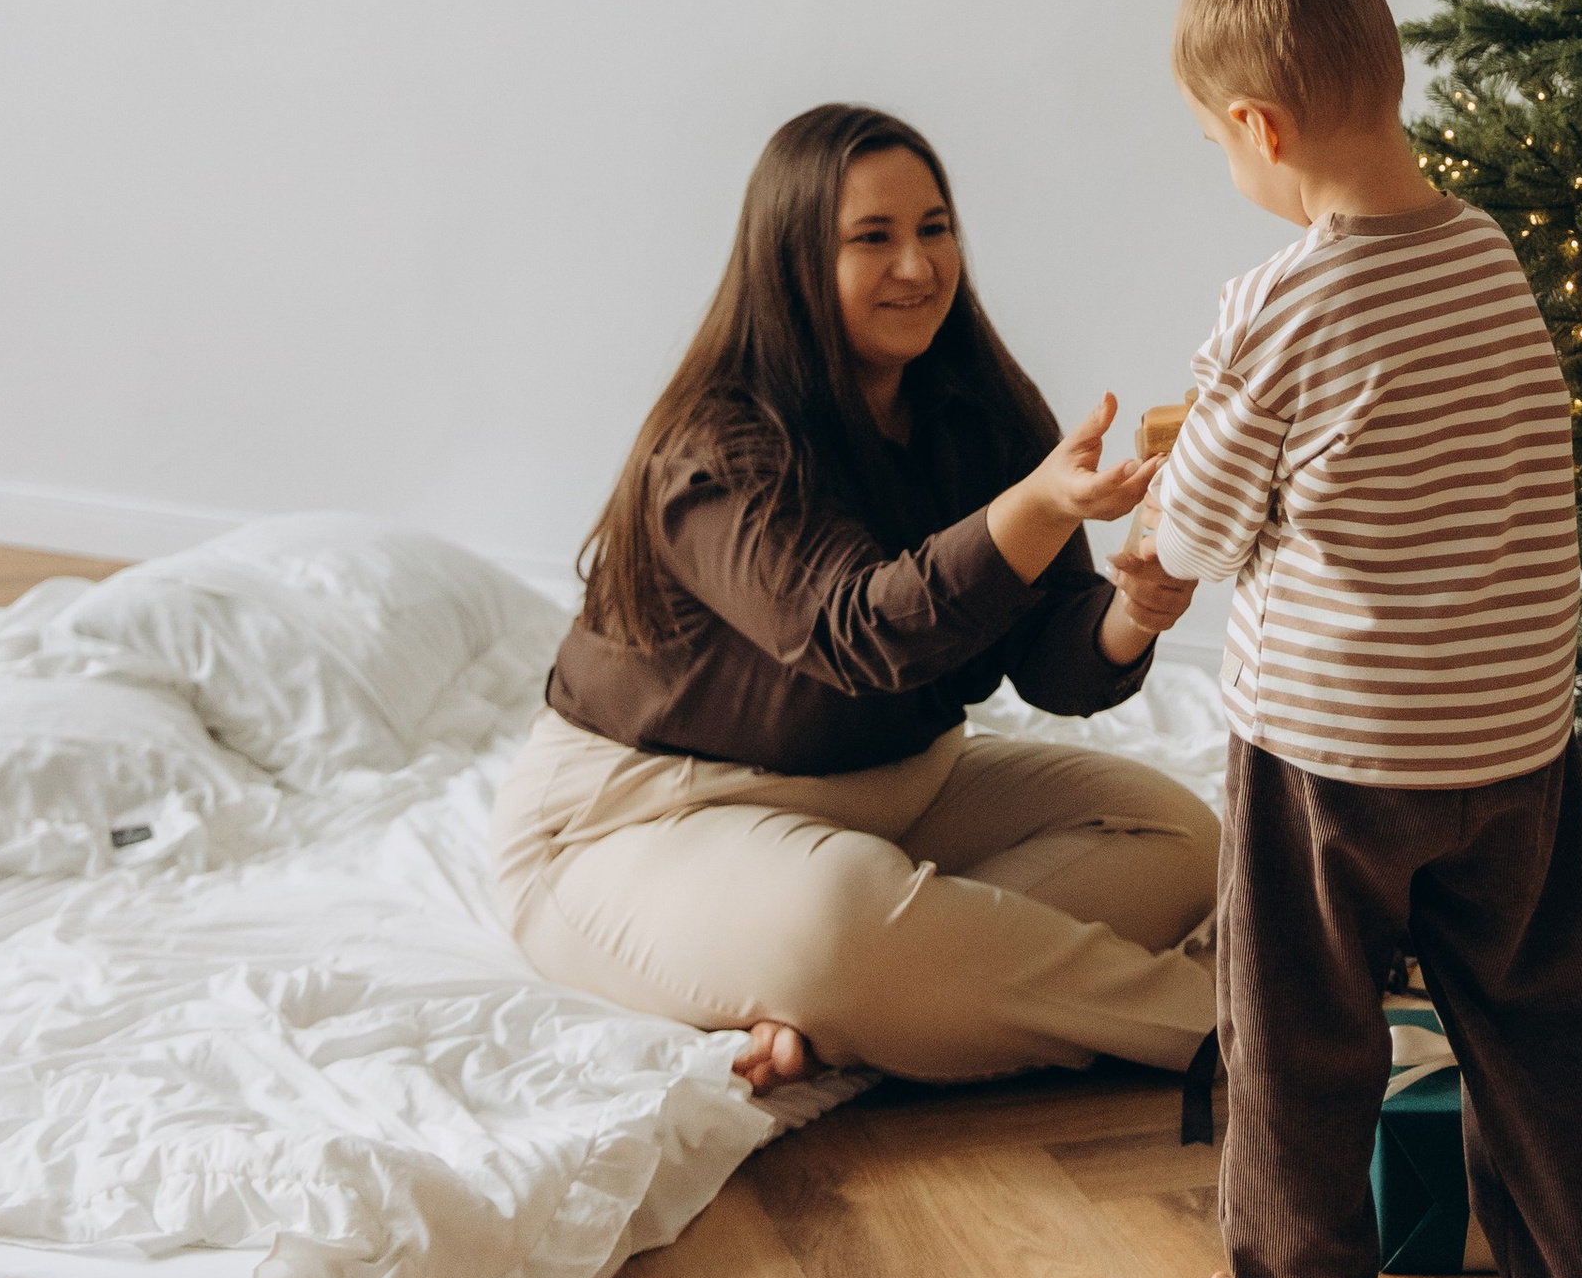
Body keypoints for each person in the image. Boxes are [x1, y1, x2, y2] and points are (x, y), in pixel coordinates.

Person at [1144, 0, 1582, 1278]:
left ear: (1259, 126)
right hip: (1513, 744)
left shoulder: (1280, 302)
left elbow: (1207, 530)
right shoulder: (1490, 256)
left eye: (1215, 141)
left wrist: (1155, 530)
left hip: (1330, 761)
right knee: (1544, 1031)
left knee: (1300, 1041)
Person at [493, 101, 1219, 1096]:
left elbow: (1052, 660)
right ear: (792, 260)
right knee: (837, 917)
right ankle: (1240, 1036)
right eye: (870, 240)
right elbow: (854, 634)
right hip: (642, 822)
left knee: (1180, 839)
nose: (917, 267)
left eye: (934, 229)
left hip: (891, 798)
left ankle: (863, 1001)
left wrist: (1136, 607)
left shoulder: (975, 407)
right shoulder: (716, 448)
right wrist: (1035, 507)